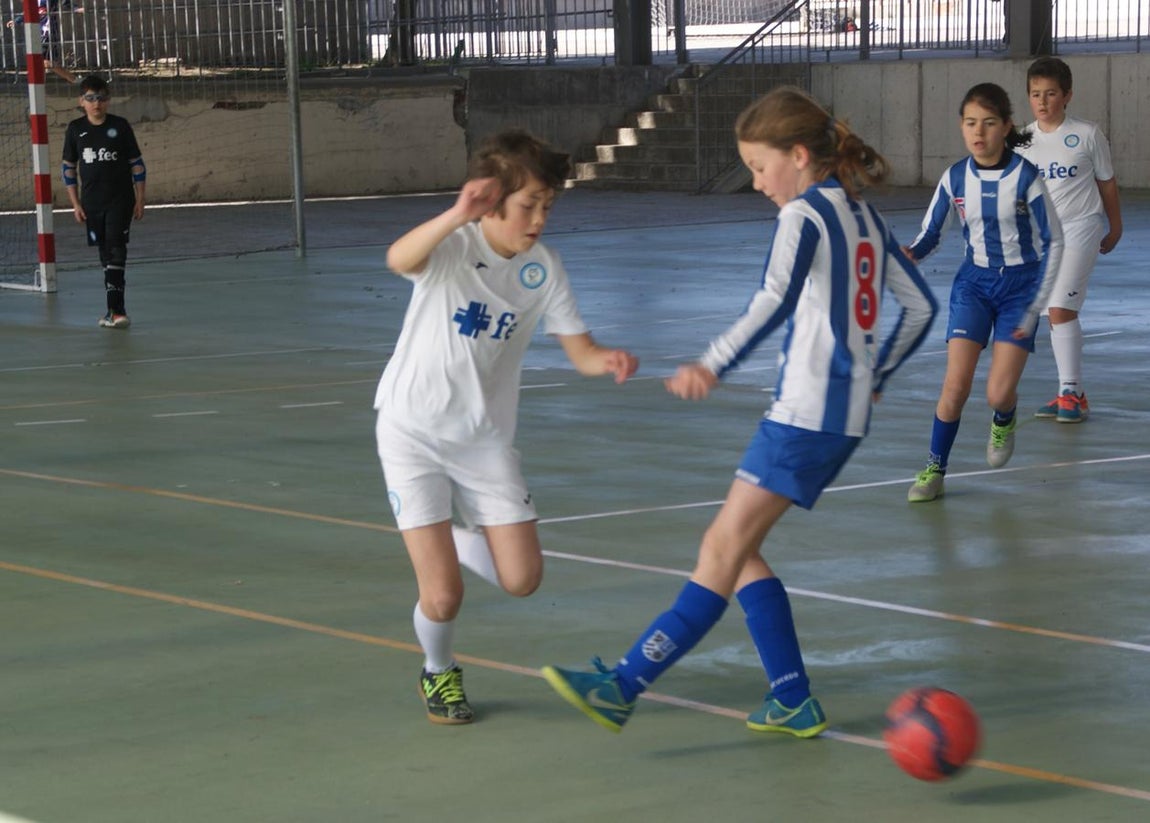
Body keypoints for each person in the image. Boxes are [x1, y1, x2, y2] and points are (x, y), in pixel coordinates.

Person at [541, 87, 937, 736]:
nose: (756, 183)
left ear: (799, 156)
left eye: (759, 166)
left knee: (721, 546)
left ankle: (622, 684)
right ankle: (791, 696)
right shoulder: (865, 216)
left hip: (805, 414)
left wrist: (712, 363)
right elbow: (920, 306)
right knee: (743, 551)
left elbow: (774, 299)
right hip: (835, 416)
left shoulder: (805, 216)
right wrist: (880, 373)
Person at [375, 129, 639, 725]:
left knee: (522, 579)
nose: (540, 218)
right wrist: (454, 213)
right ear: (491, 203)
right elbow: (398, 259)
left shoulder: (543, 270)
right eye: (529, 205)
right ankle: (438, 673)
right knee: (443, 596)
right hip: (410, 430)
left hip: (485, 440)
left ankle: (457, 543)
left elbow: (580, 351)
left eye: (548, 205)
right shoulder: (454, 246)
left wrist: (607, 361)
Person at [905, 83, 1063, 503]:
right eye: (971, 123)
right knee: (955, 386)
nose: (979, 131)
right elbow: (930, 233)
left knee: (996, 391)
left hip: (1021, 291)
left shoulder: (1026, 176)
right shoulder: (955, 176)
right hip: (973, 286)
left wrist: (1036, 308)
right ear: (962, 127)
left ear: (1006, 127)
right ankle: (934, 469)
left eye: (989, 123)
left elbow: (1055, 242)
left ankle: (1004, 416)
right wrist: (911, 254)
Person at [1016, 57, 1123, 424]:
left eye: (1050, 94)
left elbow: (1106, 181)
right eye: (1035, 94)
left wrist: (1116, 225)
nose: (1042, 101)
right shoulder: (1021, 142)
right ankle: (1072, 392)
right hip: (1044, 235)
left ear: (1067, 96)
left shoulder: (1088, 134)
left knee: (1061, 308)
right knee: (1053, 315)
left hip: (1082, 226)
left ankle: (1069, 393)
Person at [62, 75, 146, 329]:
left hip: (120, 200)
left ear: (108, 101)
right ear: (81, 101)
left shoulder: (120, 126)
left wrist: (140, 198)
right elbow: (68, 168)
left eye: (101, 98)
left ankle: (117, 311)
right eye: (90, 98)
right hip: (91, 203)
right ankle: (112, 311)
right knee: (104, 253)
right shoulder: (75, 129)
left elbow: (137, 165)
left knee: (116, 248)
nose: (96, 103)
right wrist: (75, 203)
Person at [6, 0, 81, 83]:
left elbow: (65, 2)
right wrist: (17, 20)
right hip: (35, 31)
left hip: (47, 31)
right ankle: (42, 84)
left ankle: (72, 79)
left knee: (44, 60)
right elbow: (28, 11)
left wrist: (76, 9)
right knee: (39, 60)